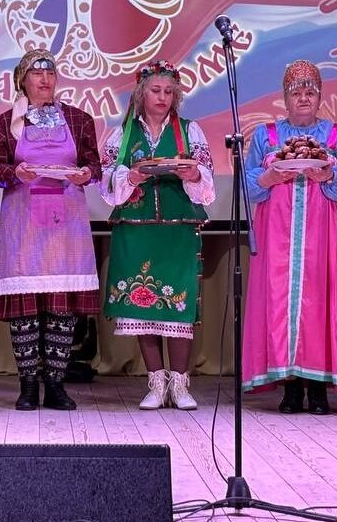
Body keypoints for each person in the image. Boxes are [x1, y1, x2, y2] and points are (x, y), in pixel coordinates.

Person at [242, 60, 337, 414]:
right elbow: (248, 185)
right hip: (277, 236)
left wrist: (329, 176)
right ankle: (290, 389)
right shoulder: (266, 136)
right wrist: (268, 178)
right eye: (296, 92)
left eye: (310, 92)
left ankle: (318, 389)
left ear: (320, 97)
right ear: (285, 98)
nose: (303, 98)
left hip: (325, 235)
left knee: (321, 301)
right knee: (280, 303)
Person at [0, 49, 101, 411]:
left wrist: (87, 174)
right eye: (36, 73)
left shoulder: (79, 119)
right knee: (26, 308)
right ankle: (28, 385)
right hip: (24, 223)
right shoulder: (3, 124)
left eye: (50, 73)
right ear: (22, 80)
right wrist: (15, 173)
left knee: (61, 308)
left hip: (67, 224)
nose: (45, 79)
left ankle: (56, 385)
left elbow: (94, 163)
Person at [100, 60, 215, 410]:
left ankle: (179, 384)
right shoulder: (121, 135)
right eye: (155, 90)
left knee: (178, 305)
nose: (162, 97)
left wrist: (193, 175)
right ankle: (156, 382)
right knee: (142, 302)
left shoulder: (190, 131)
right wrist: (132, 177)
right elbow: (106, 185)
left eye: (168, 91)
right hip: (135, 231)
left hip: (178, 231)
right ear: (141, 94)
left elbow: (207, 187)